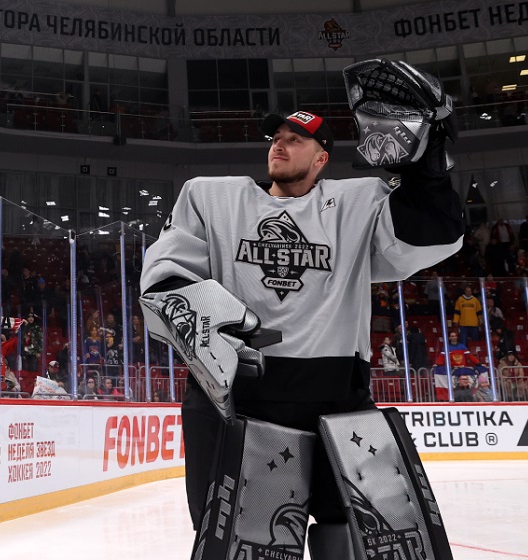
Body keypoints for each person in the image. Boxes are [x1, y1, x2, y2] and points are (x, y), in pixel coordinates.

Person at [139, 105, 462, 550]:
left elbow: (433, 236)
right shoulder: (210, 198)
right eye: (276, 138)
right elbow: (165, 272)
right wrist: (206, 321)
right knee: (241, 542)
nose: (280, 145)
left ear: (321, 158)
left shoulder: (358, 203)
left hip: (336, 397)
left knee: (355, 538)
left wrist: (428, 163)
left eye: (295, 139)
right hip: (238, 398)